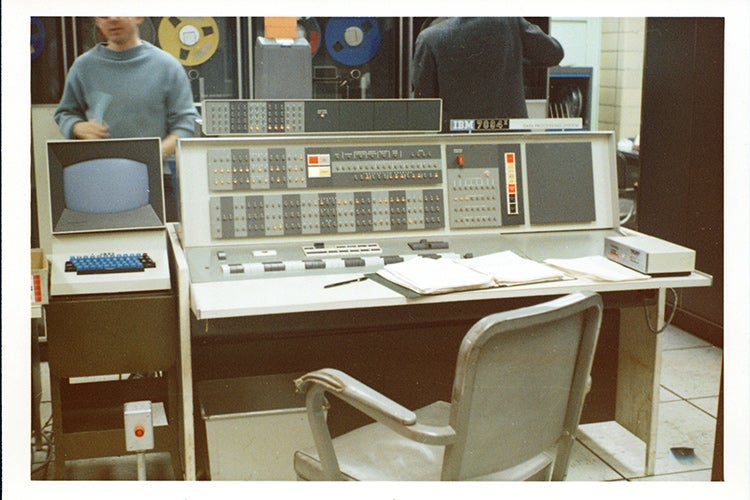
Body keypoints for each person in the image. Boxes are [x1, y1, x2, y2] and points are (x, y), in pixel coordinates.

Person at [54, 17, 199, 159]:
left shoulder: (167, 66)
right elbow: (65, 114)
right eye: (104, 15)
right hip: (98, 169)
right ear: (97, 21)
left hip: (156, 175)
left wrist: (156, 155)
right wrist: (77, 127)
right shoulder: (83, 67)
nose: (113, 19)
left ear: (138, 16)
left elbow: (186, 123)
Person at [412, 17, 564, 131]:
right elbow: (554, 53)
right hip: (511, 141)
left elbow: (424, 105)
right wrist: (515, 54)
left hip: (457, 145)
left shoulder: (428, 38)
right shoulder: (508, 21)